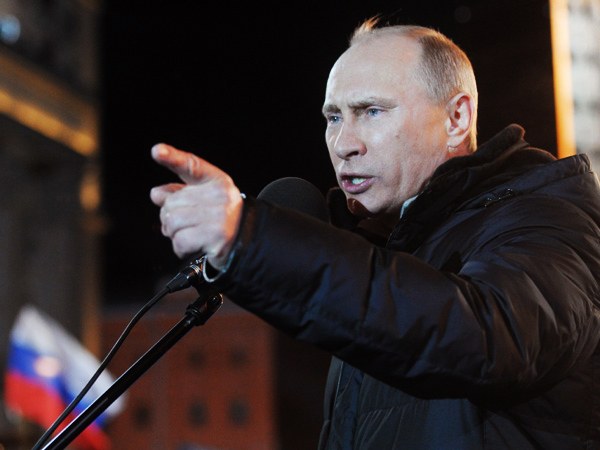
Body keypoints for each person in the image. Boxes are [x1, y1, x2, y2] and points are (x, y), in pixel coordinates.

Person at [149, 17, 600, 449]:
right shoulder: (387, 257)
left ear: (456, 118)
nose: (345, 143)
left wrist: (254, 239)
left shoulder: (549, 216)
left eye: (371, 111)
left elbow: (487, 340)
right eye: (333, 118)